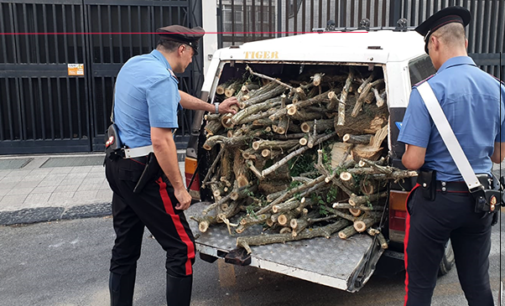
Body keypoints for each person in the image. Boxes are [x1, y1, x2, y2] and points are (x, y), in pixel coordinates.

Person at [104, 25, 238, 306]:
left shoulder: (136, 65)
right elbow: (161, 142)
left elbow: (173, 97)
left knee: (125, 249)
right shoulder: (161, 79)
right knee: (182, 248)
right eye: (192, 54)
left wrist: (215, 108)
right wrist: (180, 188)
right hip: (142, 172)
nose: (192, 60)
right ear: (181, 49)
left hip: (117, 166)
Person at [398, 6, 505, 306]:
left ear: (435, 43)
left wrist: (405, 147)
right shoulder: (498, 89)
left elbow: (414, 161)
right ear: (466, 43)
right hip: (480, 203)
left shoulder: (426, 91)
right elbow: (498, 155)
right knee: (478, 286)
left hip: (437, 204)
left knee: (419, 288)